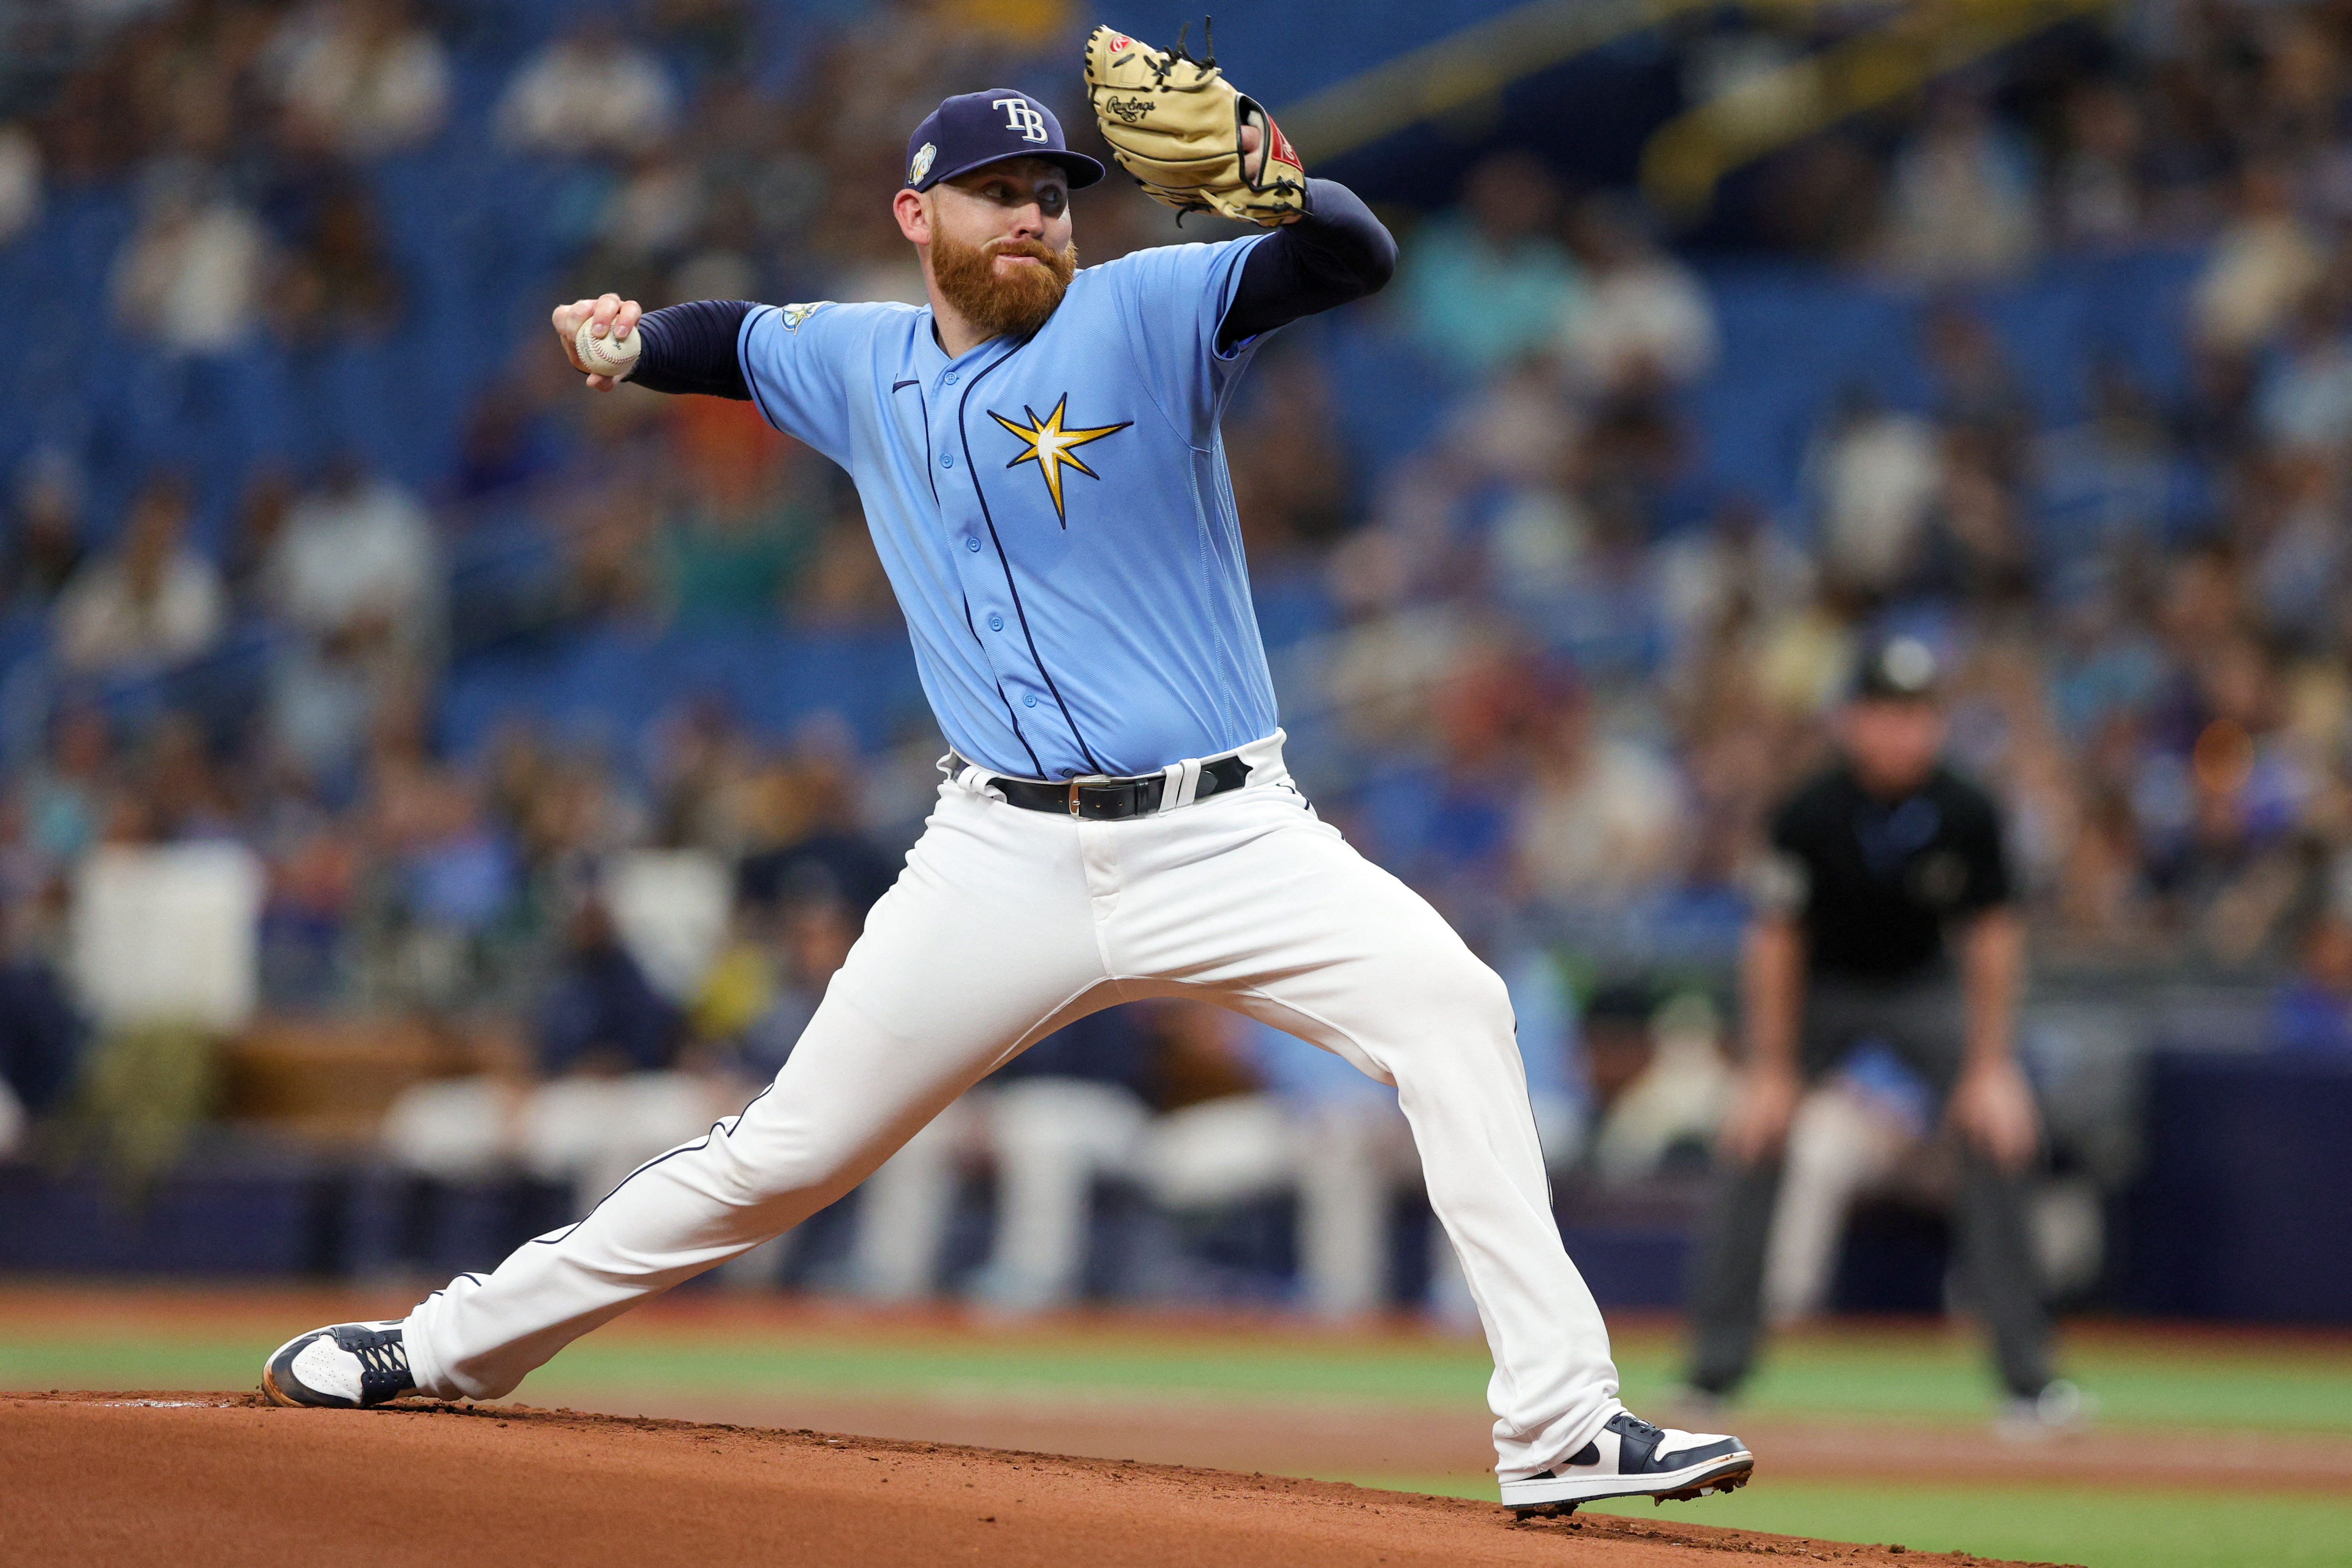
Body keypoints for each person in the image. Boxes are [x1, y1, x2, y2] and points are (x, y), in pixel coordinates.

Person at [262, 43, 1751, 1517]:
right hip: (998, 859)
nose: (1036, 214)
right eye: (996, 193)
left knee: (1455, 1009)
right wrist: (630, 340)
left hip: (1224, 831)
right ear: (916, 217)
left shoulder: (1145, 309)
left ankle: (1556, 1421)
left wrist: (1275, 182)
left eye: (1052, 190)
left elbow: (1346, 260)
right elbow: (735, 339)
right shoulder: (858, 359)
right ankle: (440, 1345)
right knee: (778, 1156)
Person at [1683, 636, 2078, 1432]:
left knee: (1994, 1132)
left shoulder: (1967, 809)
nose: (1901, 732)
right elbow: (1776, 941)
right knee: (1752, 1137)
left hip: (1923, 988)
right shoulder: (1809, 809)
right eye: (1885, 714)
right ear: (1852, 721)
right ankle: (1713, 1371)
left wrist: (1989, 1064)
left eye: (1917, 715)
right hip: (1823, 989)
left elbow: (1993, 937)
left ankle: (2028, 1380)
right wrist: (1769, 1067)